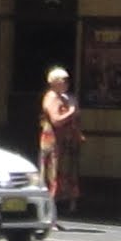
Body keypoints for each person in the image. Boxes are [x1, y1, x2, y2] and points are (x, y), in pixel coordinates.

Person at [39, 66, 82, 220]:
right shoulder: (51, 98)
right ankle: (49, 215)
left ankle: (59, 211)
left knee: (63, 174)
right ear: (55, 82)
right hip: (53, 143)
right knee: (52, 176)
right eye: (64, 80)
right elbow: (56, 120)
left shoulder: (64, 97)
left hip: (64, 142)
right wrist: (71, 111)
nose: (67, 83)